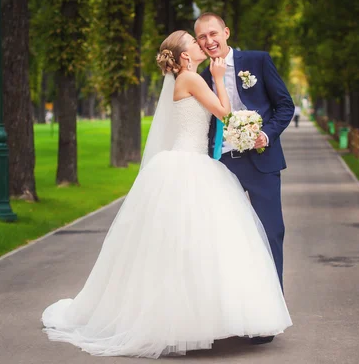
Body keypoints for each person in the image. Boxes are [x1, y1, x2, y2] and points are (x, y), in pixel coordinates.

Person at [41, 31, 292, 358]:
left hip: (193, 161)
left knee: (193, 247)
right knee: (195, 246)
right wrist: (218, 77)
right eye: (193, 41)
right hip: (192, 165)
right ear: (185, 55)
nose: (200, 44)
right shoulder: (193, 79)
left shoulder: (186, 78)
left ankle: (199, 318)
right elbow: (225, 114)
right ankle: (187, 321)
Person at [195, 14, 295, 336]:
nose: (209, 41)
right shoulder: (200, 75)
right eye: (201, 38)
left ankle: (269, 318)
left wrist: (266, 134)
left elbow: (284, 106)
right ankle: (237, 315)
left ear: (226, 32)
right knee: (230, 240)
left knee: (271, 234)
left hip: (262, 161)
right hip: (223, 166)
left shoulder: (258, 61)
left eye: (213, 33)